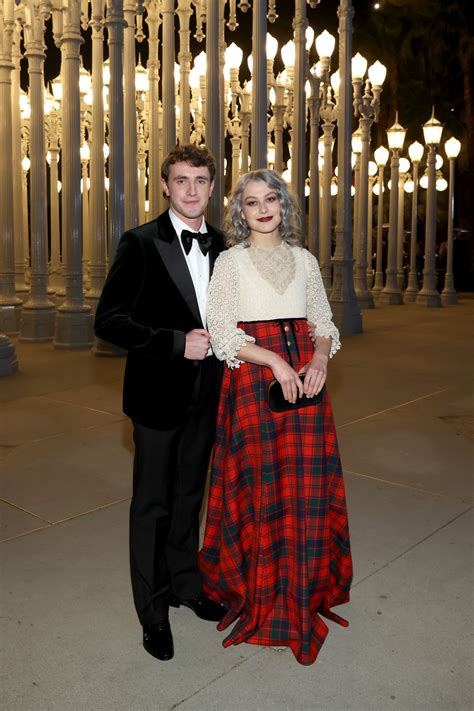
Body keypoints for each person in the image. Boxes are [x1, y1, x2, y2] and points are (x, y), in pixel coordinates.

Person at [198, 169, 353, 666]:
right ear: (239, 213)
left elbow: (322, 322)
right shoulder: (231, 262)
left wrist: (321, 358)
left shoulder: (306, 260)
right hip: (253, 382)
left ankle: (303, 594)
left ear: (284, 205)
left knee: (305, 489)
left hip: (308, 384)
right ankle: (261, 597)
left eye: (270, 199)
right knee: (260, 489)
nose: (262, 208)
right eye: (250, 202)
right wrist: (277, 360)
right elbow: (222, 331)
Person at [94, 144, 227, 662]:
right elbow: (109, 321)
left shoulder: (224, 246)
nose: (191, 190)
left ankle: (184, 584)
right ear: (166, 187)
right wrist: (175, 342)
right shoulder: (140, 242)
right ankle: (152, 613)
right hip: (155, 397)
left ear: (212, 187)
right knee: (152, 505)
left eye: (201, 180)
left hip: (209, 396)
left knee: (190, 495)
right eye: (181, 180)